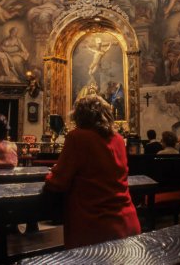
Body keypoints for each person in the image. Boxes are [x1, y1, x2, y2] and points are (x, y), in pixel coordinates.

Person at [44, 94, 140, 249]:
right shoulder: (118, 139)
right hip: (126, 221)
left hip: (94, 226)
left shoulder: (77, 137)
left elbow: (58, 182)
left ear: (79, 115)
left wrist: (51, 174)